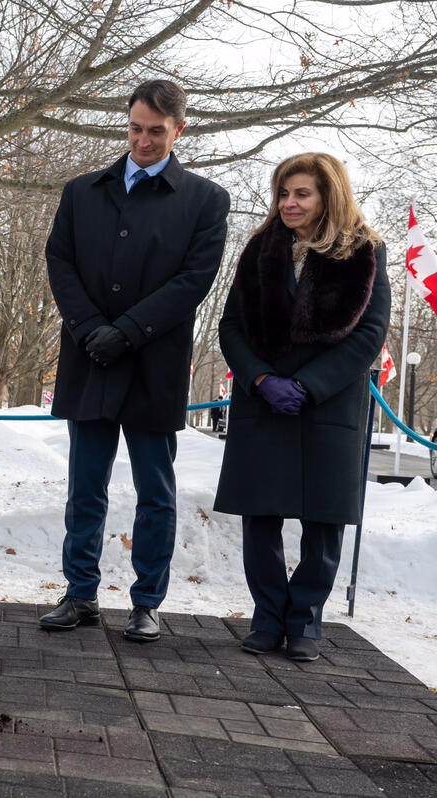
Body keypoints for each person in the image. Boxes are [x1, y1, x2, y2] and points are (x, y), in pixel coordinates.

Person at [41, 79, 230, 642]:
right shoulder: (82, 192)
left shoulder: (205, 200)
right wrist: (88, 328)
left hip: (154, 364)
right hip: (90, 359)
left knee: (156, 493)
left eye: (156, 132)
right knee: (85, 488)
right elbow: (60, 260)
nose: (143, 141)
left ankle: (147, 601)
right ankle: (80, 593)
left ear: (179, 130)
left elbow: (194, 280)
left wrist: (126, 332)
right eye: (135, 129)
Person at [214, 153, 389, 662]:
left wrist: (309, 385)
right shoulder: (259, 249)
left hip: (329, 402)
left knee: (323, 520)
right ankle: (268, 618)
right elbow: (231, 326)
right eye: (284, 193)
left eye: (302, 194)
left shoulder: (366, 250)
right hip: (263, 399)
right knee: (260, 515)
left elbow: (370, 334)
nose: (289, 203)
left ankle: (306, 619)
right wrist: (261, 379)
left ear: (329, 196)